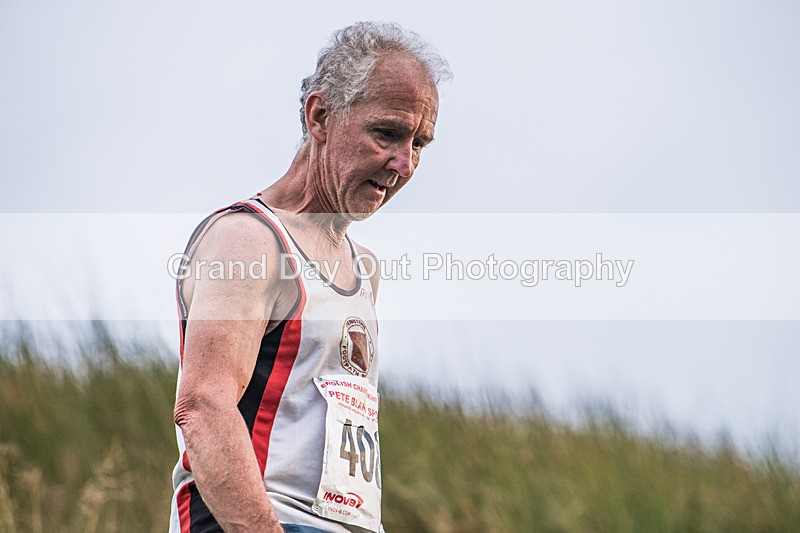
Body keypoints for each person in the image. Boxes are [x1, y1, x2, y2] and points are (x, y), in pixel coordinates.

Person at [168, 22, 450, 533]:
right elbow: (203, 406)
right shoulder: (249, 240)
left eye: (420, 144)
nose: (403, 163)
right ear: (320, 116)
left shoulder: (365, 269)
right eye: (386, 133)